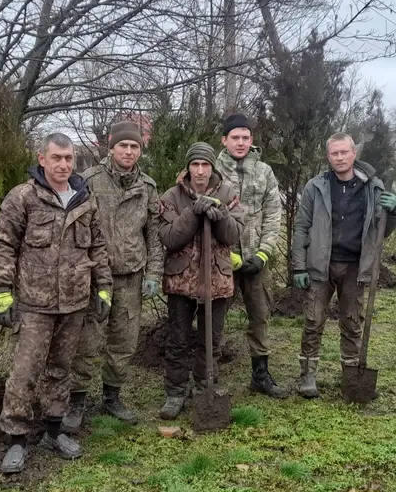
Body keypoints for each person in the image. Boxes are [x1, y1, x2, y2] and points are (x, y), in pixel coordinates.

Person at [0, 133, 113, 474]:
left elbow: (98, 249)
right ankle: (16, 439)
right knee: (24, 372)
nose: (63, 164)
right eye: (57, 157)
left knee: (61, 370)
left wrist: (103, 290)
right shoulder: (23, 197)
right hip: (34, 304)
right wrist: (2, 293)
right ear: (41, 159)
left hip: (74, 303)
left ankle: (54, 430)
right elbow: (4, 246)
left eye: (69, 158)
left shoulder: (85, 199)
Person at [62, 121, 163, 432]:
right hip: (96, 278)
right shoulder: (89, 181)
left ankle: (112, 396)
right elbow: (77, 229)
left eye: (134, 147)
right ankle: (77, 400)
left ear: (140, 150)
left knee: (124, 340)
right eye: (123, 146)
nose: (129, 151)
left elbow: (155, 236)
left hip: (132, 276)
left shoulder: (147, 187)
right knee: (86, 341)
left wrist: (154, 273)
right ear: (111, 146)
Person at [291, 132, 396, 399]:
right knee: (313, 320)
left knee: (352, 322)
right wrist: (299, 266)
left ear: (354, 154)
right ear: (328, 157)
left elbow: (381, 230)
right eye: (334, 153)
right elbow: (302, 227)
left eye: (344, 152)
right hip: (320, 266)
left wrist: (394, 211)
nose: (339, 157)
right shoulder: (316, 186)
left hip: (354, 267)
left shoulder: (373, 188)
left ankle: (351, 375)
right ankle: (308, 374)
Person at [157, 142, 245, 420]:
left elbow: (233, 236)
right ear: (187, 168)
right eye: (195, 164)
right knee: (178, 338)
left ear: (212, 167)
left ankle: (205, 384)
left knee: (212, 339)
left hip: (216, 279)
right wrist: (193, 212)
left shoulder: (228, 194)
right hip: (181, 279)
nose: (200, 171)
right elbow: (170, 238)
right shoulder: (170, 196)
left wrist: (220, 217)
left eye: (205, 165)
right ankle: (175, 391)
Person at [215, 114, 288, 398]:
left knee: (259, 317)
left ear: (252, 140)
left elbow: (273, 215)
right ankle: (209, 376)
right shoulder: (213, 171)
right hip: (221, 261)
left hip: (256, 261)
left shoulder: (264, 172)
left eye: (246, 138)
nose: (241, 143)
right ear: (224, 140)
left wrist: (263, 254)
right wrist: (226, 254)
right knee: (214, 320)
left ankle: (260, 375)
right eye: (235, 137)